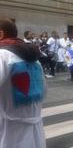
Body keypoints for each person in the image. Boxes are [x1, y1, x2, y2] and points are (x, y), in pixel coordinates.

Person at [0, 19, 46, 148]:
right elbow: (43, 90)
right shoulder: (35, 60)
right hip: (35, 129)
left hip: (10, 131)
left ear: (1, 34)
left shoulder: (2, 55)